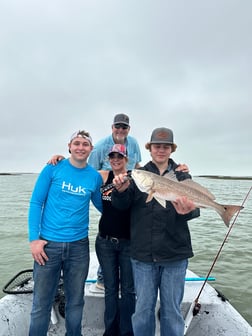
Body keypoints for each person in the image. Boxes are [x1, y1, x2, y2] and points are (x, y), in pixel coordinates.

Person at [111, 127, 200, 336]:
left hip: (175, 254)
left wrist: (188, 211)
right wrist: (120, 191)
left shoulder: (182, 174)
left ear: (171, 149)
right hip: (142, 256)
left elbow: (193, 211)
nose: (161, 150)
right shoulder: (139, 174)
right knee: (142, 311)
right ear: (150, 149)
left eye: (165, 146)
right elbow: (121, 206)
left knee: (172, 311)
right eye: (157, 146)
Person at [48, 114, 142, 290]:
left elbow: (138, 167)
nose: (121, 130)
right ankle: (103, 276)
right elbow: (86, 168)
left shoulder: (134, 143)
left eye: (124, 127)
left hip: (131, 189)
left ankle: (128, 279)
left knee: (129, 227)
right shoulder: (99, 146)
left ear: (128, 129)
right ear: (112, 127)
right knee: (110, 227)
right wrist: (63, 162)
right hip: (107, 189)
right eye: (118, 127)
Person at [28, 130, 103, 336]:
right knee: (41, 303)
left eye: (85, 144)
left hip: (79, 247)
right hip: (48, 245)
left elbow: (104, 207)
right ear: (69, 146)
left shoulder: (94, 177)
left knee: (76, 301)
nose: (80, 147)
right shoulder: (53, 168)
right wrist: (34, 240)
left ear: (91, 149)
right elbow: (36, 202)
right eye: (76, 143)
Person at [95, 144, 135, 336]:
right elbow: (79, 169)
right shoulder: (103, 176)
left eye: (120, 156)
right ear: (108, 158)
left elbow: (159, 178)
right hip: (105, 242)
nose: (116, 159)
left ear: (127, 158)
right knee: (110, 289)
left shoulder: (136, 176)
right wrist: (59, 159)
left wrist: (180, 169)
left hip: (129, 242)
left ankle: (127, 332)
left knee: (128, 291)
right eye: (112, 156)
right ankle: (110, 332)